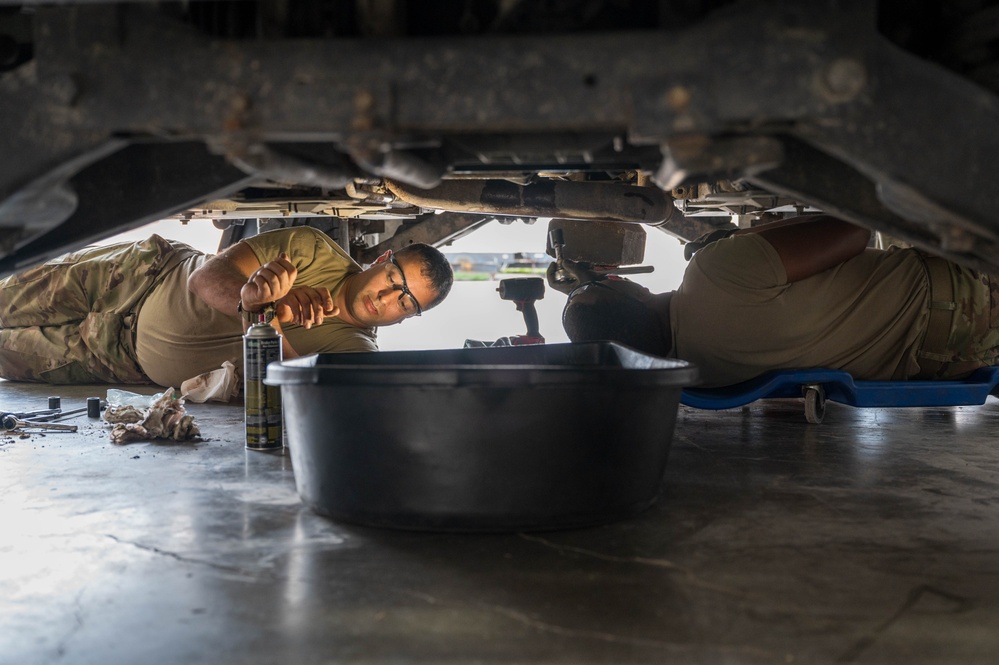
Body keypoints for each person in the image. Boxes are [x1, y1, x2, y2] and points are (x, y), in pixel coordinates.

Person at [550, 214, 999, 388]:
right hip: (971, 293)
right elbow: (857, 228)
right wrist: (745, 237)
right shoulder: (712, 274)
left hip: (961, 356)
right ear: (630, 290)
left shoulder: (705, 378)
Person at [0, 225, 453, 387]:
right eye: (394, 280)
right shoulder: (313, 250)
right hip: (139, 277)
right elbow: (205, 278)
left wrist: (264, 314)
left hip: (118, 359)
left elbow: (278, 384)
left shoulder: (353, 355)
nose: (387, 298)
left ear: (411, 317)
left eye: (406, 302)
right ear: (381, 260)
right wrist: (250, 298)